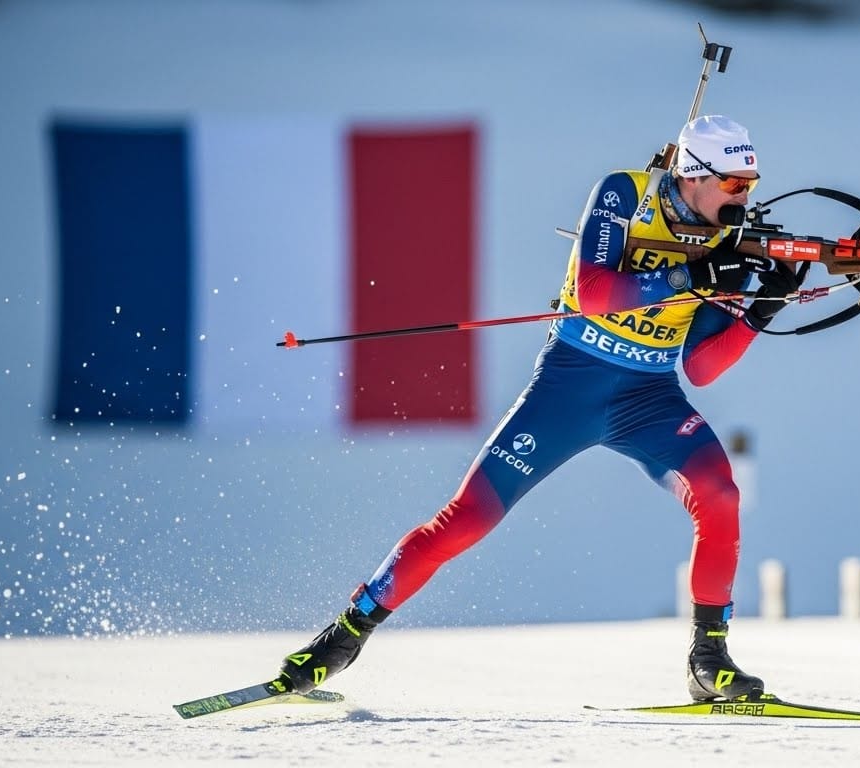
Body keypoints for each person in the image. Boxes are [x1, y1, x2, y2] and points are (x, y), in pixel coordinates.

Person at [277, 115, 799, 702]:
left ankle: (709, 660)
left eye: (750, 184)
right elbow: (595, 293)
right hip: (569, 386)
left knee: (720, 495)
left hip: (648, 397)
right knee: (467, 518)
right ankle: (344, 636)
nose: (743, 197)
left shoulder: (731, 241)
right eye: (733, 183)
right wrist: (687, 274)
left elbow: (700, 367)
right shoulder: (625, 194)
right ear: (693, 175)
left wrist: (761, 310)